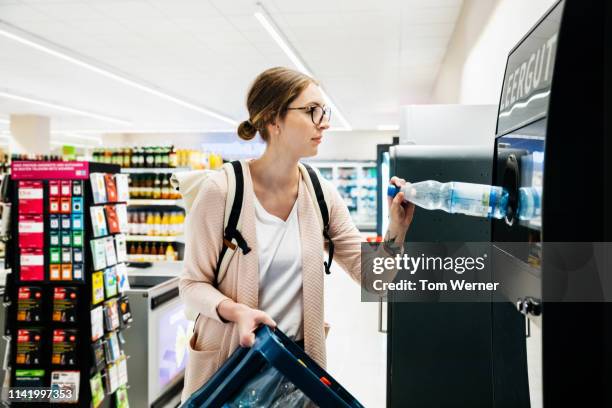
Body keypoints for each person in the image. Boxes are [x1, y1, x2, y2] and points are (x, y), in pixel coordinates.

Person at [179, 66, 415, 402]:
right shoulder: (222, 191)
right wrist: (237, 312)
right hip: (230, 368)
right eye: (312, 111)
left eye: (324, 111)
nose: (324, 122)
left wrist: (396, 230)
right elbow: (191, 285)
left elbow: (375, 279)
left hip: (294, 372)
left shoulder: (321, 194)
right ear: (274, 120)